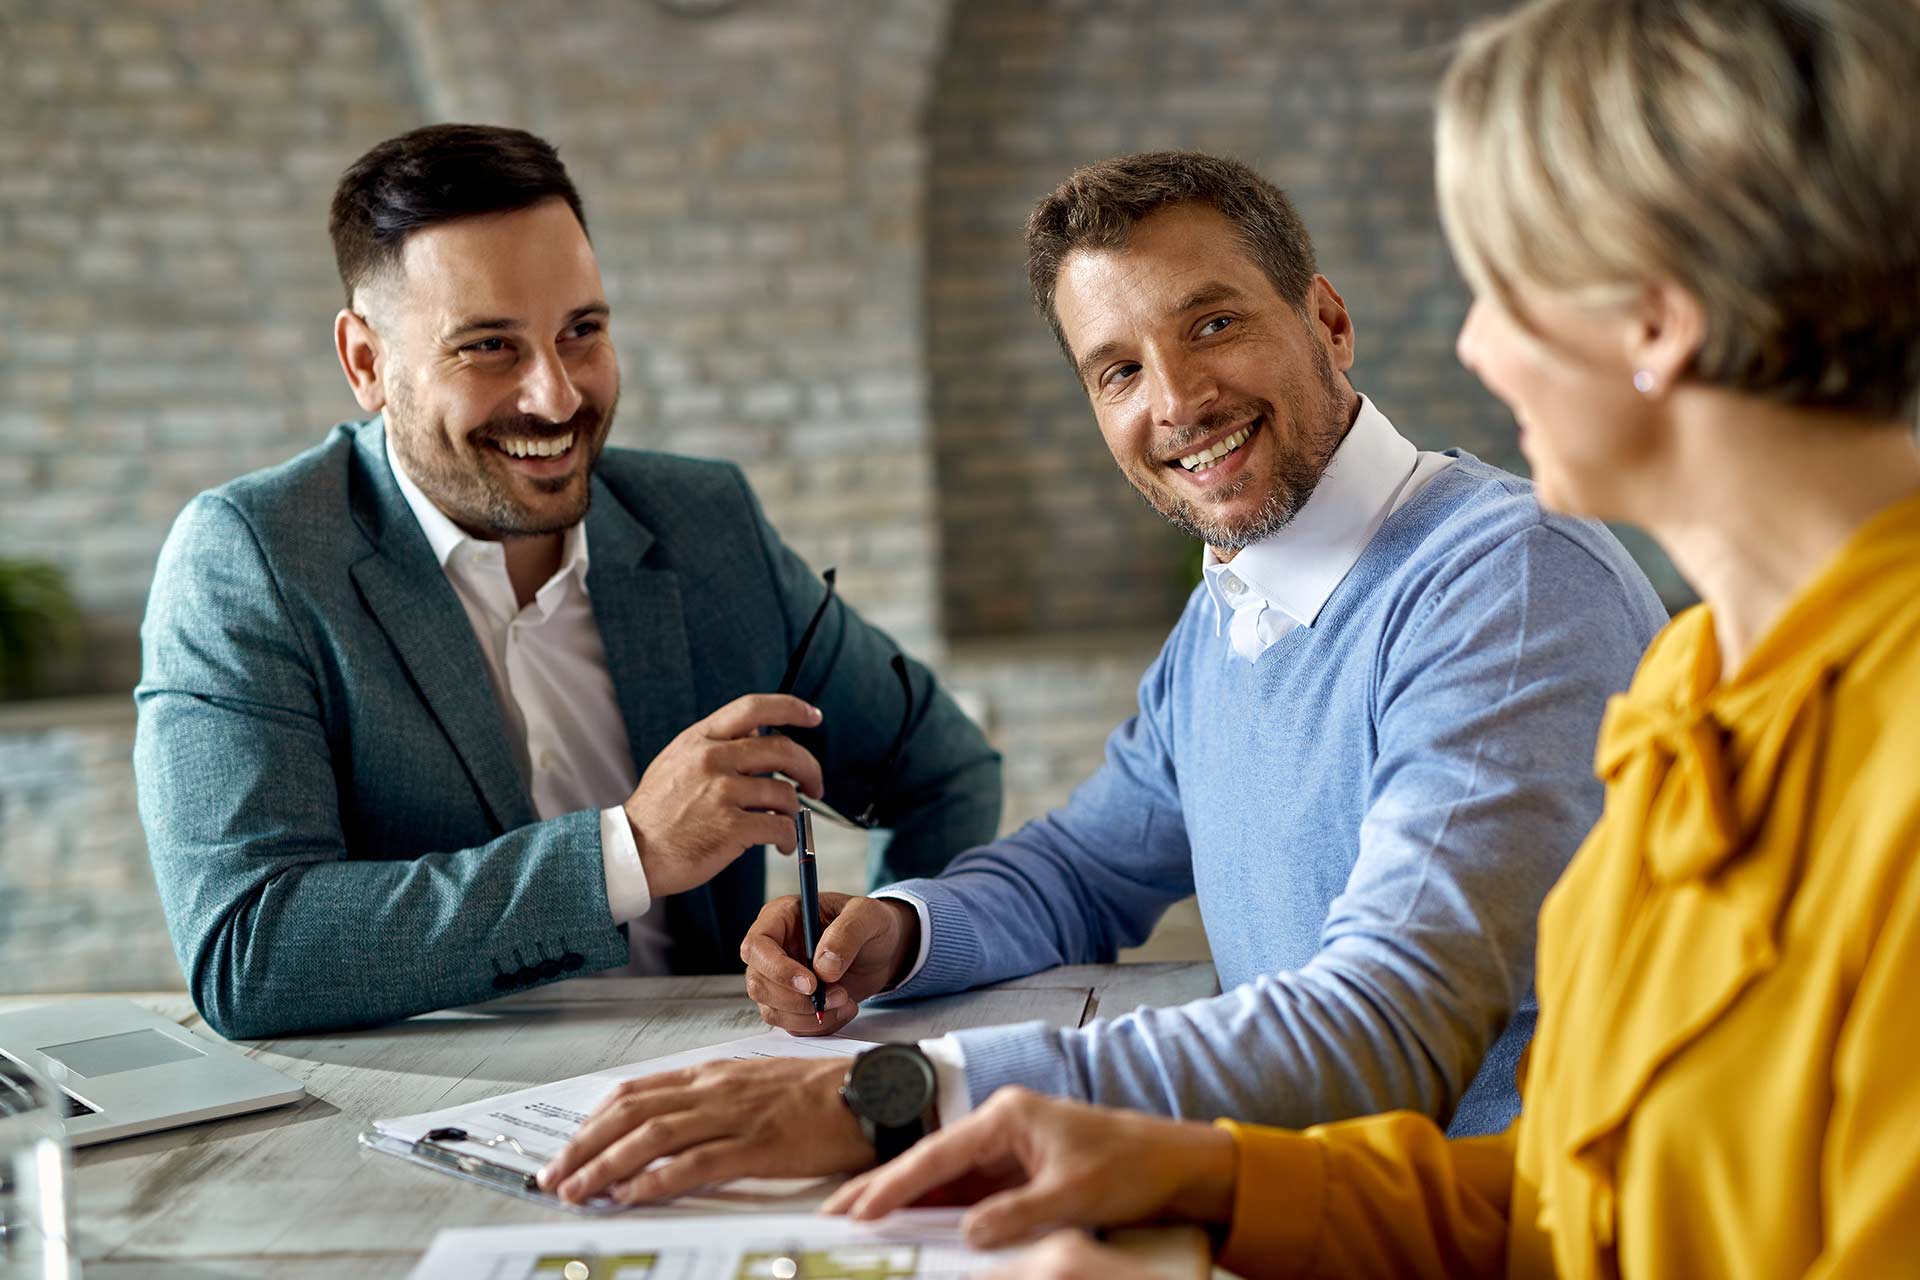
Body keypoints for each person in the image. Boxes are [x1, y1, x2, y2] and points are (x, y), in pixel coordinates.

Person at [819, 0, 1920, 1275]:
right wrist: (1209, 1178)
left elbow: (1426, 1044)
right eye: (1117, 369)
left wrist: (939, 1095)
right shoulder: (1697, 680)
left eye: (1504, 283)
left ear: (1657, 320)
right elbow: (1590, 1199)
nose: (1472, 343)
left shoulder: (1541, 591)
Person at [534, 151, 1668, 1205]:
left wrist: (904, 1096)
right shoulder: (1235, 606)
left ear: (1328, 321)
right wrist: (899, 930)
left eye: (1213, 324)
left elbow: (1384, 1023)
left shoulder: (1506, 583)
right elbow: (1084, 868)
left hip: (1518, 1232)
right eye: (1119, 369)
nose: (1176, 402)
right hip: (1320, 1210)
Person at [134, 124, 1002, 1040]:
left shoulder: (707, 526)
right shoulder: (250, 560)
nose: (556, 397)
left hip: (719, 1083)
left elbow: (942, 771)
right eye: (488, 346)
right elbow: (248, 949)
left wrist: (884, 958)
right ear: (366, 362)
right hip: (425, 1107)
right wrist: (629, 853)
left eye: (580, 332)